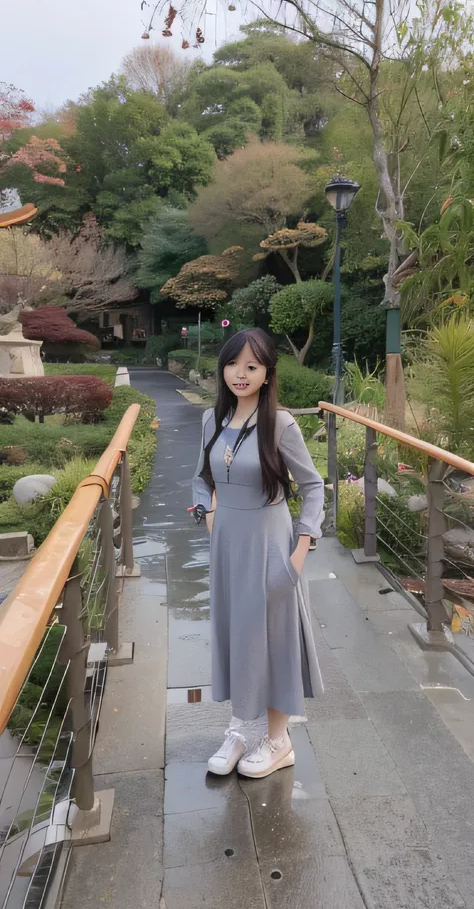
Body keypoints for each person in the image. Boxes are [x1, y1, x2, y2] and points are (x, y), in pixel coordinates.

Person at [191, 328, 324, 780]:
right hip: (227, 545)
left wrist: (300, 552)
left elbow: (312, 487)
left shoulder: (280, 424)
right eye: (233, 364)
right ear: (222, 369)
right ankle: (242, 729)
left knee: (274, 639)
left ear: (267, 374)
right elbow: (199, 480)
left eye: (251, 366)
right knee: (239, 635)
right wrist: (208, 515)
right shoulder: (211, 421)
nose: (240, 374)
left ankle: (279, 741)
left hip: (271, 544)